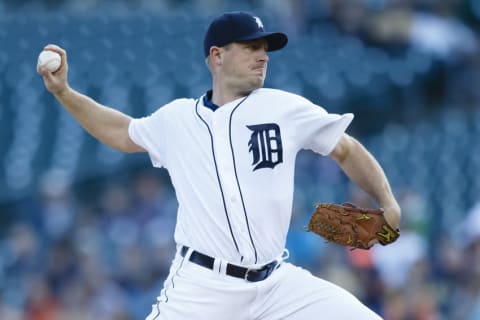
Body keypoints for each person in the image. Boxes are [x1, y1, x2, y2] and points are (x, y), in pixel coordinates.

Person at [38, 11, 401, 320]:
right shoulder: (177, 119)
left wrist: (387, 201)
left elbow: (346, 149)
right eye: (251, 47)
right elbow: (120, 132)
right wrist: (65, 93)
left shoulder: (284, 108)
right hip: (202, 287)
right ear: (217, 56)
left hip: (277, 285)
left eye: (265, 49)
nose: (263, 56)